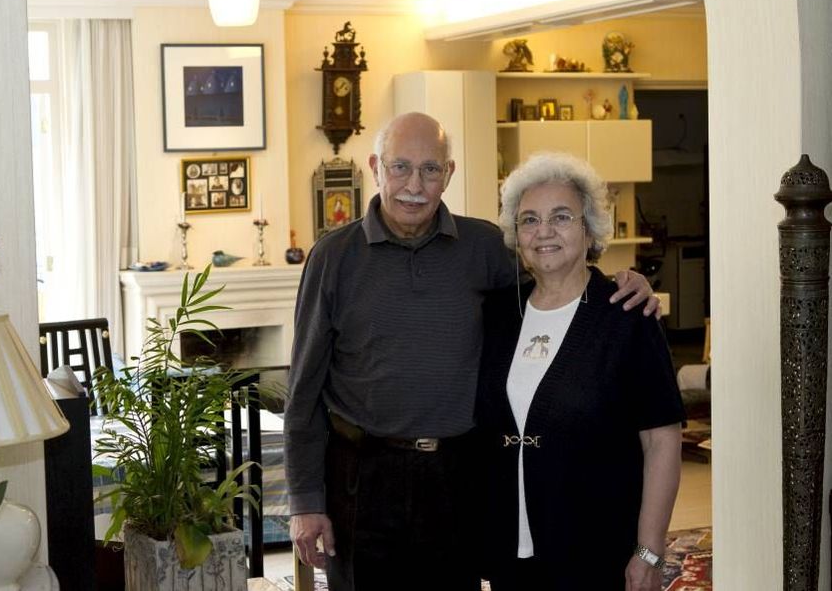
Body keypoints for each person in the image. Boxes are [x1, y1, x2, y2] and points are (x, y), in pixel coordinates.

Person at [284, 113, 659, 590]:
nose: (414, 185)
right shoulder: (334, 257)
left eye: (430, 169)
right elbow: (303, 393)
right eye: (400, 167)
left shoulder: (485, 246)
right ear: (375, 167)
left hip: (458, 475)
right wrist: (305, 502)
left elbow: (555, 280)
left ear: (450, 173)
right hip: (361, 477)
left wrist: (623, 281)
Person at [476, 152, 684, 590]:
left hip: (596, 549)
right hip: (510, 552)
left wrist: (649, 551)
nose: (544, 231)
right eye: (529, 219)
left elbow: (662, 441)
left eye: (561, 217)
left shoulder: (627, 313)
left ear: (589, 227)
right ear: (517, 234)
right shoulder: (498, 312)